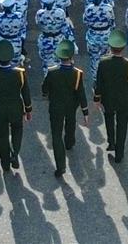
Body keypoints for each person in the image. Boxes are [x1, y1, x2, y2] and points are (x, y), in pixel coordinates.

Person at [43, 39, 88, 179]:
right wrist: (85, 111)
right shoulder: (77, 73)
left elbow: (45, 89)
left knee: (56, 135)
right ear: (71, 57)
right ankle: (69, 141)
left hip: (56, 105)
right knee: (71, 122)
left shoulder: (52, 72)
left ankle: (60, 166)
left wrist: (46, 94)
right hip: (71, 105)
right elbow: (81, 93)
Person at [92, 29, 128, 163]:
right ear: (123, 48)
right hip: (123, 98)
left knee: (109, 119)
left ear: (110, 47)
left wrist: (97, 98)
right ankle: (119, 153)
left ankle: (111, 142)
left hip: (108, 98)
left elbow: (99, 83)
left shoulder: (103, 62)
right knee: (122, 125)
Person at [0, 41, 31, 173]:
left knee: (2, 134)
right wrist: (28, 109)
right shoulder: (20, 73)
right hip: (16, 108)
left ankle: (5, 163)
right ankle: (15, 153)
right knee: (17, 130)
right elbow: (25, 93)